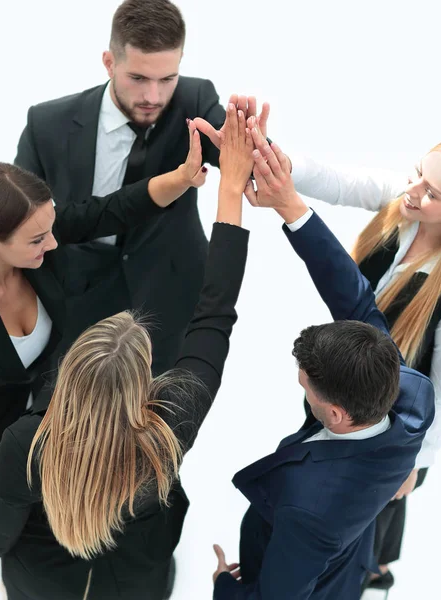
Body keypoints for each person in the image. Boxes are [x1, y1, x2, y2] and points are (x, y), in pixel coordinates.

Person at [0, 104, 253, 600]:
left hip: (42, 583)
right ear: (146, 379)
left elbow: (2, 516)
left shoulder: (25, 441)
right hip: (136, 583)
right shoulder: (168, 428)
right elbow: (214, 314)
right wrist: (230, 190)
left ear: (70, 370)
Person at [0, 132, 207, 598]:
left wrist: (181, 178)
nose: (54, 243)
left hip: (41, 423)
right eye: (38, 238)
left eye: (52, 229)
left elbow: (112, 209)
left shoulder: (40, 243)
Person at [210, 128, 435, 600]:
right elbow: (351, 295)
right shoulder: (411, 398)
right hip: (346, 557)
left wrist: (223, 588)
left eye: (306, 386)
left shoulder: (307, 509)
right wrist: (288, 204)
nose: (302, 388)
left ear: (334, 414)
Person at [284, 136, 441, 592]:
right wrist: (279, 163)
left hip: (389, 428)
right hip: (345, 389)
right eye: (419, 172)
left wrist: (416, 465)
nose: (415, 189)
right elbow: (338, 181)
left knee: (368, 525)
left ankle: (372, 580)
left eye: (433, 192)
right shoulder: (410, 200)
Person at [15, 0, 269, 376]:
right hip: (75, 301)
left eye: (167, 79)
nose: (153, 96)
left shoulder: (194, 100)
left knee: (162, 425)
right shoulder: (46, 124)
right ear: (109, 62)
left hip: (169, 299)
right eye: (138, 78)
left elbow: (243, 161)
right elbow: (19, 222)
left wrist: (259, 152)